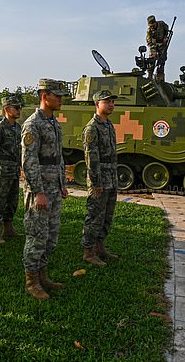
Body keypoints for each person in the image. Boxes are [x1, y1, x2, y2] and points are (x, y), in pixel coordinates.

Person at [21, 78, 69, 300]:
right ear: (44, 96)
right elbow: (29, 161)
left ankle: (43, 274)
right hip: (39, 190)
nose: (60, 99)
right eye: (56, 95)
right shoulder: (33, 124)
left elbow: (58, 158)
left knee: (51, 235)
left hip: (53, 188)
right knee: (37, 235)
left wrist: (62, 184)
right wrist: (38, 191)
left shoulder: (54, 123)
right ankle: (31, 280)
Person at [81, 90, 120, 267]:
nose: (111, 104)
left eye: (112, 101)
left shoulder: (108, 125)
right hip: (99, 179)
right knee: (95, 215)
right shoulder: (92, 128)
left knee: (107, 216)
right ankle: (88, 252)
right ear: (97, 104)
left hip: (111, 176)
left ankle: (99, 246)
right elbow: (91, 158)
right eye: (107, 102)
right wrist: (96, 183)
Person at [0, 94, 23, 244]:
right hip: (1, 171)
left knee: (12, 201)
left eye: (20, 107)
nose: (19, 110)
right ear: (7, 109)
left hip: (14, 171)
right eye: (16, 107)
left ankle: (9, 228)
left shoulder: (18, 128)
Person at [146, 14, 169, 82]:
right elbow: (149, 42)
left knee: (162, 61)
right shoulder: (149, 31)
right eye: (150, 26)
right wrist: (154, 50)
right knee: (152, 60)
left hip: (162, 44)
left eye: (153, 26)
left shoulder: (161, 24)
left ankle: (160, 78)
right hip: (153, 45)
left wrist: (165, 37)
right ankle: (150, 76)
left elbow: (167, 29)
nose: (152, 27)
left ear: (155, 23)